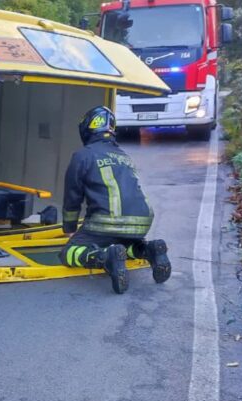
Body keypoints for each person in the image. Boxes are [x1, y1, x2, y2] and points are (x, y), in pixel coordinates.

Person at [59, 106, 171, 294]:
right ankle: (149, 250)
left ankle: (104, 258)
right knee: (123, 245)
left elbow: (73, 196)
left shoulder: (83, 155)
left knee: (67, 253)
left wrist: (69, 228)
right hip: (141, 223)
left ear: (88, 127)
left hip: (107, 222)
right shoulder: (123, 156)